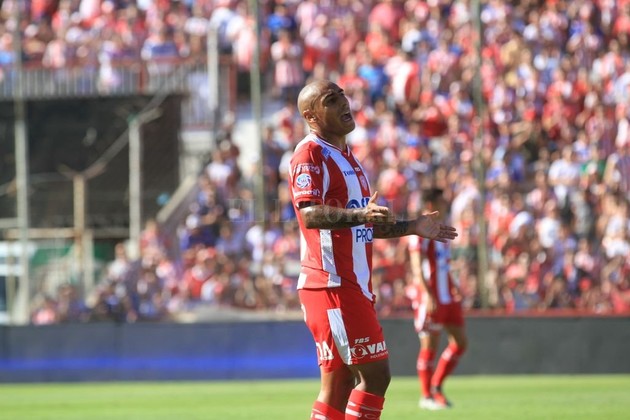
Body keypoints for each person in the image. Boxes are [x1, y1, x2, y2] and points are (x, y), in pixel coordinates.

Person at [288, 80, 458, 420]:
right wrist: (360, 214)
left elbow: (363, 224)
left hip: (350, 284)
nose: (343, 103)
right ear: (311, 116)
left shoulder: (348, 157)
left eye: (342, 95)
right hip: (332, 283)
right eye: (331, 100)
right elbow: (309, 214)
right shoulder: (310, 153)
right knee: (376, 376)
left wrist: (412, 226)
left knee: (339, 384)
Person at [406, 187, 468, 410]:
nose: (445, 204)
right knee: (429, 345)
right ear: (431, 204)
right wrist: (426, 294)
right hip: (430, 296)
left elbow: (442, 264)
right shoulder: (419, 231)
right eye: (441, 201)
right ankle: (426, 396)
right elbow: (416, 266)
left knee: (460, 343)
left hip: (447, 296)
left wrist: (454, 286)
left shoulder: (441, 230)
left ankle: (436, 386)